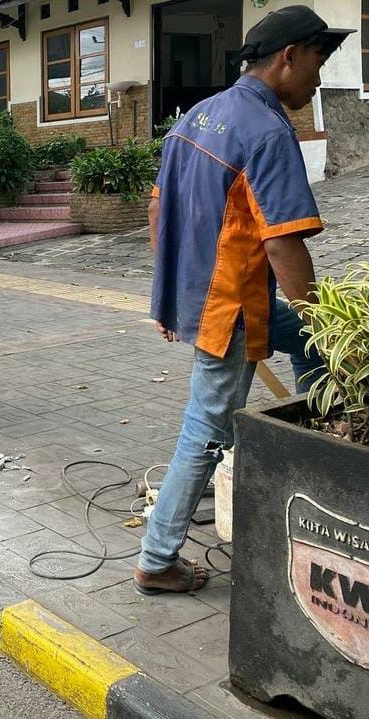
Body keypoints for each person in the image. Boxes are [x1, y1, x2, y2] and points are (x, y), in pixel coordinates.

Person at [137, 6, 351, 595]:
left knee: (304, 342)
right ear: (289, 57)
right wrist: (329, 320)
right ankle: (157, 558)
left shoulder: (200, 115)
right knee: (205, 424)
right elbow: (284, 247)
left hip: (204, 295)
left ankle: (323, 423)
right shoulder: (267, 130)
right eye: (317, 60)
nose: (317, 76)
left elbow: (159, 208)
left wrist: (169, 296)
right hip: (229, 303)